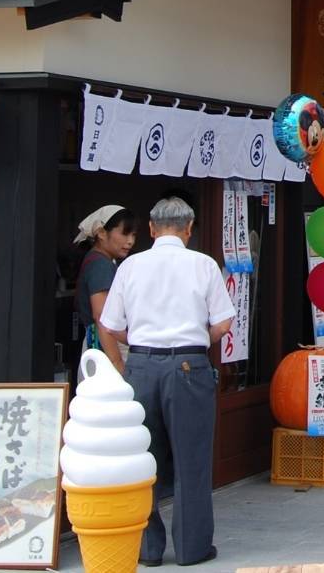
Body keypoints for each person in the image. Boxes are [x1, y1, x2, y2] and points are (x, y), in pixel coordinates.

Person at [96, 196, 234, 567]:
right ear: (189, 229)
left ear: (153, 229)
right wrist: (194, 337)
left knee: (142, 460)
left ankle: (147, 550)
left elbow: (110, 324)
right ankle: (192, 549)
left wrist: (139, 344)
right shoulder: (204, 265)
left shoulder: (131, 266)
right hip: (189, 365)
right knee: (193, 459)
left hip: (141, 365)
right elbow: (223, 323)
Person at [73, 204, 137, 372]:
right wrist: (117, 364)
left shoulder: (98, 261)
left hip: (97, 346)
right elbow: (102, 318)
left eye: (133, 235)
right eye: (124, 233)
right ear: (101, 233)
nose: (130, 241)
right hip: (106, 349)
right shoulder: (101, 265)